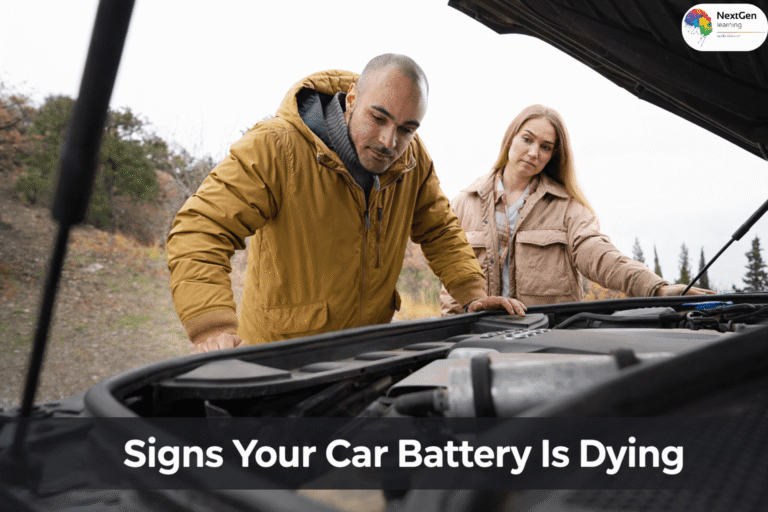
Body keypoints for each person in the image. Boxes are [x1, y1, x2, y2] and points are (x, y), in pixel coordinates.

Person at [167, 54, 526, 353]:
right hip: (278, 360)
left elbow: (440, 230)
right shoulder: (276, 147)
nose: (389, 141)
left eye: (406, 129)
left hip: (365, 356)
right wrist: (211, 327)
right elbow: (200, 229)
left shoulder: (413, 159)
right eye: (379, 118)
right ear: (352, 98)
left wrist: (472, 294)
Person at [440, 104, 713, 315]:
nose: (534, 152)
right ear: (510, 138)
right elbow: (451, 284)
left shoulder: (569, 208)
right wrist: (449, 336)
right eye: (527, 139)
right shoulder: (464, 203)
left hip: (549, 340)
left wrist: (656, 289)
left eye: (545, 147)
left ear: (553, 155)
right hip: (475, 342)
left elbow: (599, 255)